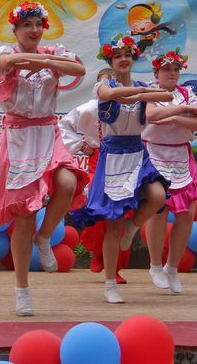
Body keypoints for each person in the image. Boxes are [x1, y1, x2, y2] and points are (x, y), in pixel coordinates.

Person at [0, 1, 89, 316]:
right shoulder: (5, 52)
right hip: (18, 137)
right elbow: (6, 61)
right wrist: (40, 61)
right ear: (15, 30)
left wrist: (46, 60)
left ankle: (45, 237)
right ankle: (22, 289)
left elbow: (79, 69)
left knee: (68, 183)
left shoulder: (55, 53)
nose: (34, 30)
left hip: (48, 131)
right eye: (27, 25)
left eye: (38, 24)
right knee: (25, 215)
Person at [71, 37, 172, 303]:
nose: (123, 59)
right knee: (112, 224)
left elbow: (167, 95)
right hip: (113, 155)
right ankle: (110, 284)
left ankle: (133, 227)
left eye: (127, 54)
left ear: (133, 58)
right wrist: (136, 93)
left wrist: (138, 93)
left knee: (158, 196)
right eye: (117, 56)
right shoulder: (104, 85)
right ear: (111, 61)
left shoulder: (140, 85)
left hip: (138, 152)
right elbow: (107, 94)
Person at [142, 49, 197, 294]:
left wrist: (174, 117)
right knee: (159, 210)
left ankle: (172, 267)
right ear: (156, 73)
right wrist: (182, 111)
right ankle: (155, 265)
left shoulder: (188, 94)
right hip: (154, 154)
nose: (172, 73)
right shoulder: (149, 92)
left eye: (175, 69)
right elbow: (150, 115)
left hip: (181, 155)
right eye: (166, 69)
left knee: (188, 213)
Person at [59, 68, 131, 284]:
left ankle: (115, 267)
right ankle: (98, 253)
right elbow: (63, 126)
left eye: (113, 82)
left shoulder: (129, 106)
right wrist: (82, 145)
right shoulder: (91, 108)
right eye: (104, 82)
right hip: (99, 160)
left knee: (122, 216)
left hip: (125, 160)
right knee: (101, 212)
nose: (108, 86)